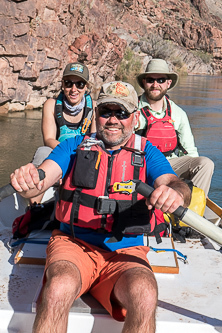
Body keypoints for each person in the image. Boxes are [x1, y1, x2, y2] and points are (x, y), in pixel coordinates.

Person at [10, 81, 191, 333]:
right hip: (74, 243)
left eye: (122, 113)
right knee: (58, 287)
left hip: (125, 250)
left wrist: (175, 193)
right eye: (106, 112)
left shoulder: (147, 152)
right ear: (96, 114)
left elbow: (174, 183)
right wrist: (27, 180)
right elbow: (39, 181)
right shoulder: (73, 146)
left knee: (145, 293)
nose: (113, 120)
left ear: (135, 118)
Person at [136, 58, 214, 198]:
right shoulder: (132, 110)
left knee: (205, 164)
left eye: (161, 80)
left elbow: (190, 151)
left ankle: (190, 210)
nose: (155, 85)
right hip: (141, 163)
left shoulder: (179, 114)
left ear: (168, 83)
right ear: (144, 82)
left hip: (171, 164)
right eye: (150, 80)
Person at [31, 61, 96, 204]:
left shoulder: (95, 108)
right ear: (62, 84)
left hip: (84, 156)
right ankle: (34, 208)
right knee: (42, 151)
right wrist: (68, 153)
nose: (74, 89)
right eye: (68, 83)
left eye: (79, 84)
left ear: (86, 87)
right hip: (58, 151)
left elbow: (96, 141)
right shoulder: (51, 105)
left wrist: (78, 155)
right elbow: (48, 139)